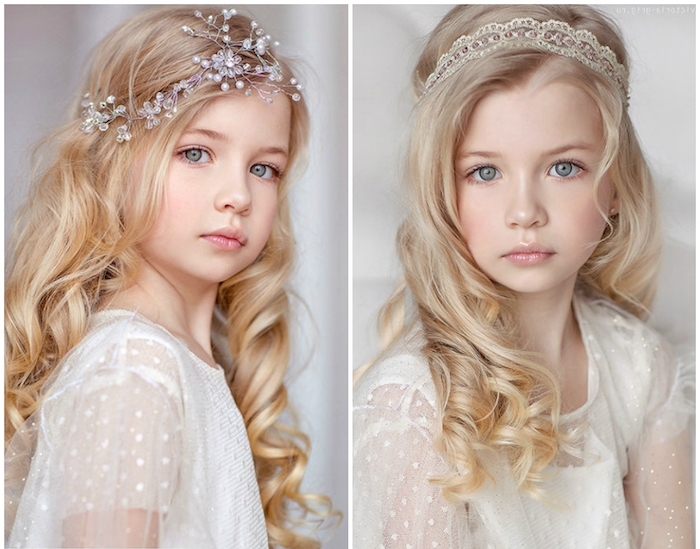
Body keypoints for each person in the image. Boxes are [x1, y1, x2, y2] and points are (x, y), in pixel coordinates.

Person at [353, 5, 694, 549]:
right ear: (444, 190)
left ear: (616, 185)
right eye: (484, 172)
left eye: (564, 168)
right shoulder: (413, 404)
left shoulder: (641, 367)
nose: (525, 211)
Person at [5, 6, 336, 548]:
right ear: (114, 162)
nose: (237, 195)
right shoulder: (134, 367)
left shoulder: (175, 361)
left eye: (263, 168)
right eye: (196, 152)